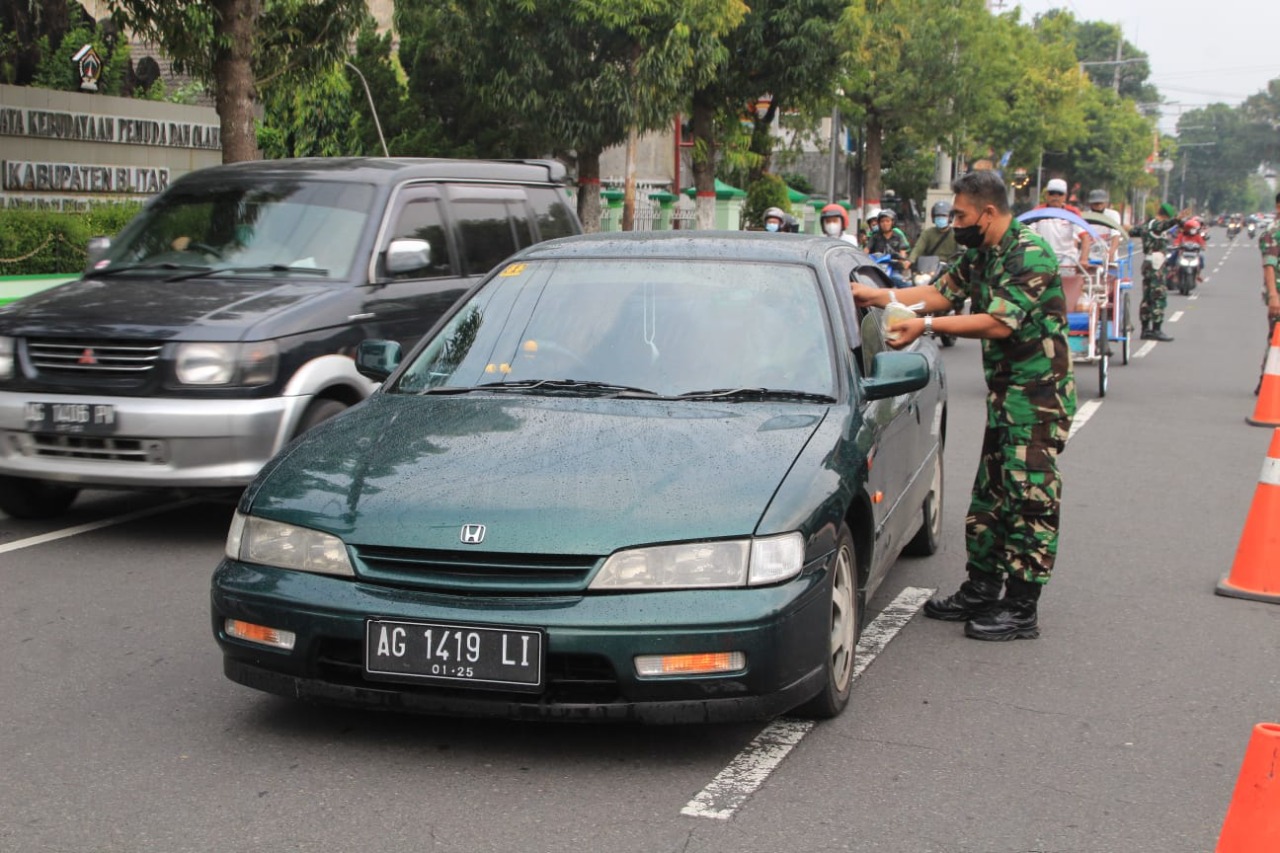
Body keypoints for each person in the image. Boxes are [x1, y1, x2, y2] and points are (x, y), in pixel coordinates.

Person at [849, 169, 1076, 641]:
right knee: (991, 497)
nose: (955, 223)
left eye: (961, 214)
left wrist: (925, 327)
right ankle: (982, 587)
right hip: (1006, 396)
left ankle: (1020, 607)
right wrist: (876, 296)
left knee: (1028, 501)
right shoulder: (983, 251)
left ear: (988, 213)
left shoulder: (1029, 254)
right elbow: (938, 294)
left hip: (1037, 402)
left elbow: (999, 323)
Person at [1128, 202, 1189, 342]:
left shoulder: (1147, 225)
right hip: (1156, 265)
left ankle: (1145, 329)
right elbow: (1164, 226)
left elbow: (1132, 231)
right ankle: (1156, 329)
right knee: (1158, 296)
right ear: (1165, 216)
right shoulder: (1157, 225)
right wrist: (1177, 219)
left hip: (1149, 263)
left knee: (1148, 297)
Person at [1028, 178, 1092, 274]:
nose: (1055, 197)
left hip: (1067, 260)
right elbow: (1026, 235)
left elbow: (1085, 237)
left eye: (1059, 194)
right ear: (1046, 195)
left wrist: (1083, 259)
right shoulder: (1037, 213)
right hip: (1042, 259)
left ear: (1065, 196)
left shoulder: (1072, 213)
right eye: (1052, 193)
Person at [1256, 192, 1280, 394]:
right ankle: (1266, 383)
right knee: (1277, 339)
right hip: (1279, 293)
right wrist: (1273, 295)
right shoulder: (1272, 233)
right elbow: (1269, 266)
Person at [908, 200, 959, 268]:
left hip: (950, 268)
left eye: (943, 216)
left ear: (950, 217)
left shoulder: (957, 234)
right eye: (938, 216)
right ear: (933, 217)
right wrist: (910, 260)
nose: (940, 218)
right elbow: (918, 248)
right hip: (929, 268)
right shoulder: (927, 233)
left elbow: (962, 252)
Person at [867, 208, 912, 277]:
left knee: (905, 283)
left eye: (887, 221)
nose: (885, 224)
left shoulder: (898, 236)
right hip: (877, 269)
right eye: (882, 221)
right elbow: (866, 250)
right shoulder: (875, 237)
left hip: (894, 269)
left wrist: (903, 262)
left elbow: (903, 253)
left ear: (893, 222)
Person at [1085, 189, 1123, 264]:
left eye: (1101, 203)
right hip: (1090, 258)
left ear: (1105, 203)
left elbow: (1115, 235)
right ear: (1091, 204)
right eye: (1096, 204)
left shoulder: (1112, 215)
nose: (1099, 206)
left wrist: (1111, 253)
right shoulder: (1086, 216)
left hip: (1108, 257)